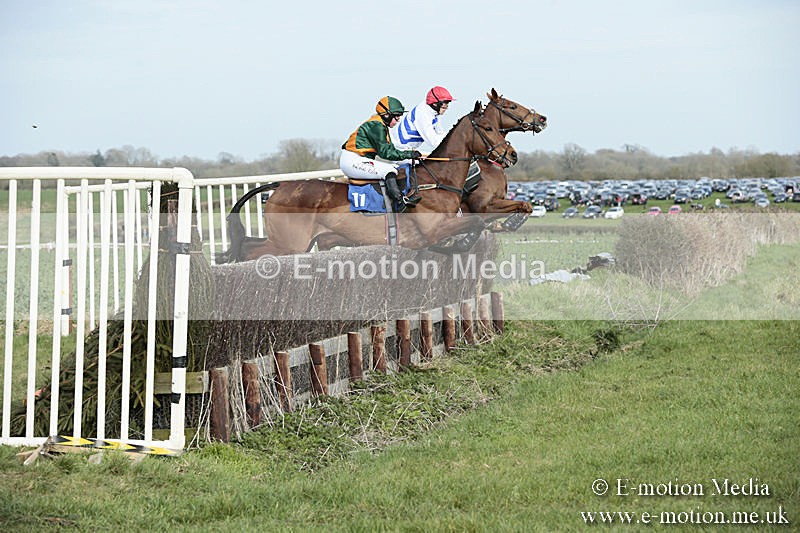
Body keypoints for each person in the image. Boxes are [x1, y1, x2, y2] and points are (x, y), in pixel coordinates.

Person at [340, 96, 422, 208]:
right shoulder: (376, 125)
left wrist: (412, 158)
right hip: (352, 161)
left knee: (394, 166)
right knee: (388, 170)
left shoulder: (381, 125)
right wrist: (409, 154)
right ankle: (400, 201)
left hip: (358, 159)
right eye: (396, 116)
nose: (398, 120)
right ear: (386, 115)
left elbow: (392, 151)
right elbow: (386, 153)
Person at [390, 86, 455, 153]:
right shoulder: (423, 114)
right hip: (398, 150)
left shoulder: (433, 112)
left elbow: (440, 133)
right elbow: (434, 142)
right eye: (445, 104)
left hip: (408, 149)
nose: (447, 107)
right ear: (435, 104)